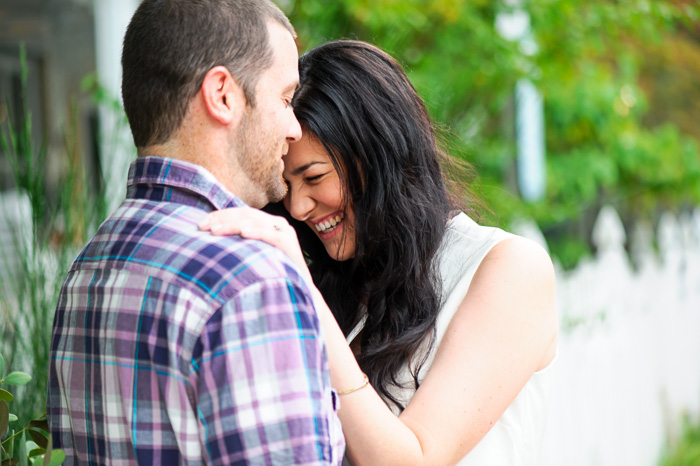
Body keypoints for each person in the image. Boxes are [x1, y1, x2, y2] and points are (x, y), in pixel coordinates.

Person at [201, 40, 559, 465]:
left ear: (375, 156)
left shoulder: (508, 269)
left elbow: (414, 458)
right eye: (289, 188)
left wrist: (304, 295)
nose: (297, 208)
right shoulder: (342, 282)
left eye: (314, 177)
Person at [47, 1, 345, 464]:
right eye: (286, 99)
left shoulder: (88, 267)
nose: (293, 128)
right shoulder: (252, 281)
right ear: (222, 94)